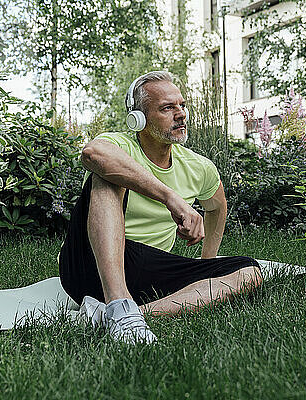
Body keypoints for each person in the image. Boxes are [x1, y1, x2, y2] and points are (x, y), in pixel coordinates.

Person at [58, 71, 262, 344]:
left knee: (249, 271)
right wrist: (171, 198)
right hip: (87, 264)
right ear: (138, 118)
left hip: (147, 269)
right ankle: (118, 302)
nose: (180, 114)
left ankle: (126, 315)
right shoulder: (117, 145)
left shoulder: (198, 167)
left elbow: (217, 208)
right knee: (108, 176)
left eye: (182, 105)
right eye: (167, 108)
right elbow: (92, 155)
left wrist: (207, 262)